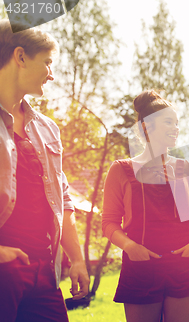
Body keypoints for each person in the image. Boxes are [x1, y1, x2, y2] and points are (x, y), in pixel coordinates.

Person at [0, 19, 90, 321]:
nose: (51, 75)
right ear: (21, 57)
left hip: (44, 274)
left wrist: (77, 259)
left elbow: (61, 198)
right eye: (48, 63)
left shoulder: (48, 129)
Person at [102, 90, 189, 322]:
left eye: (177, 123)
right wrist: (130, 246)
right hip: (141, 269)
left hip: (185, 267)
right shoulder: (121, 169)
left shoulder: (186, 168)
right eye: (168, 122)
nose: (176, 128)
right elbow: (109, 223)